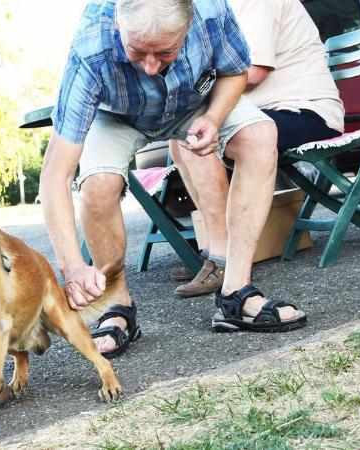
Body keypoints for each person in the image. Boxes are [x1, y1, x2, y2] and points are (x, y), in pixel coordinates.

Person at [40, 0, 306, 359]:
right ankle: (116, 308)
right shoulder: (91, 49)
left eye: (165, 51)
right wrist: (72, 266)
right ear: (118, 22)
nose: (150, 67)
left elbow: (234, 71)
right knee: (98, 183)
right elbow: (56, 172)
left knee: (259, 135)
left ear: (190, 23)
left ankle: (236, 292)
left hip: (192, 102)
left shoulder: (211, 12)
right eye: (137, 51)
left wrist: (213, 117)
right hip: (117, 116)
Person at [172, 0, 344, 300]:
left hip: (304, 109)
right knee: (182, 138)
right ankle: (215, 251)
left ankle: (224, 258)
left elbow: (252, 72)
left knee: (198, 138)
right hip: (265, 112)